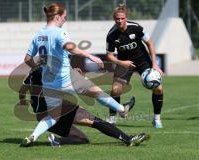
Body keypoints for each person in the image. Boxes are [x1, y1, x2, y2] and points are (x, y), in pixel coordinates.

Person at [23, 2, 136, 144]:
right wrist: (89, 56)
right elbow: (70, 47)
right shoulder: (59, 32)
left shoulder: (39, 35)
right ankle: (121, 109)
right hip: (65, 80)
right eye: (64, 17)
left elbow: (27, 59)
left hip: (49, 85)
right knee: (96, 91)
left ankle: (33, 136)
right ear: (57, 17)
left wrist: (38, 67)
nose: (65, 20)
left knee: (52, 117)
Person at [18, 67, 149, 147]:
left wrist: (23, 102)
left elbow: (22, 90)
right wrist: (78, 77)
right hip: (57, 110)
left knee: (82, 139)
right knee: (95, 121)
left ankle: (55, 140)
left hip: (42, 114)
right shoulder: (53, 71)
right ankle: (128, 138)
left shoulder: (33, 72)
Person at [106, 4, 164, 128]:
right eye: (117, 19)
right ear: (114, 19)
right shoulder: (111, 35)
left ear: (126, 18)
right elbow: (110, 56)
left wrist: (155, 64)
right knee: (115, 90)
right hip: (124, 62)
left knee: (158, 89)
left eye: (122, 18)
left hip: (143, 61)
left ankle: (157, 119)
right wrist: (122, 63)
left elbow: (150, 43)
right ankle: (112, 120)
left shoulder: (136, 27)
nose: (120, 21)